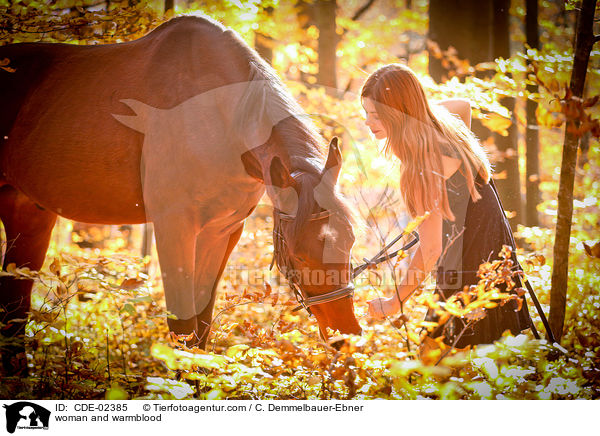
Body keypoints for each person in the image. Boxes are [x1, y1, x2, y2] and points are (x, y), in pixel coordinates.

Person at [363, 63, 532, 347]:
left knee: (441, 370)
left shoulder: (425, 163)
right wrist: (417, 113)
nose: (368, 123)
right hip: (496, 259)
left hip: (469, 274)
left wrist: (394, 302)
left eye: (377, 115)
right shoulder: (444, 128)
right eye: (366, 113)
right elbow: (462, 105)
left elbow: (430, 250)